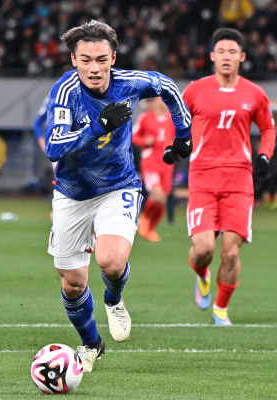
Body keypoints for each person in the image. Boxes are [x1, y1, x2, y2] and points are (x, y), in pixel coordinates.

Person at [45, 20, 192, 372]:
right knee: (72, 283)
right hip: (72, 193)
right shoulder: (65, 92)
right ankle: (91, 344)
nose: (94, 68)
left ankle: (113, 298)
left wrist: (184, 133)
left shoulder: (130, 83)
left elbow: (167, 86)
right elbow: (54, 146)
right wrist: (99, 126)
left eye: (101, 59)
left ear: (113, 58)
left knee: (110, 261)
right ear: (74, 60)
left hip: (118, 186)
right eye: (85, 60)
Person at [175, 27, 276, 326]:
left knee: (231, 253)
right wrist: (176, 145)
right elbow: (178, 122)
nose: (226, 57)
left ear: (242, 57)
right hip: (203, 179)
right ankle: (202, 274)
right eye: (221, 51)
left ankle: (220, 310)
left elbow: (268, 128)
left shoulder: (255, 93)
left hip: (239, 181)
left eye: (232, 52)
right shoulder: (195, 90)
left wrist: (264, 155)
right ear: (212, 56)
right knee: (204, 249)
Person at [132, 97, 175, 241]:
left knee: (163, 200)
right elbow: (133, 136)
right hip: (151, 162)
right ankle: (144, 219)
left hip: (167, 164)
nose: (163, 102)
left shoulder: (172, 118)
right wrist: (144, 141)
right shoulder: (146, 118)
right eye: (160, 99)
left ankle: (150, 228)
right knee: (157, 195)